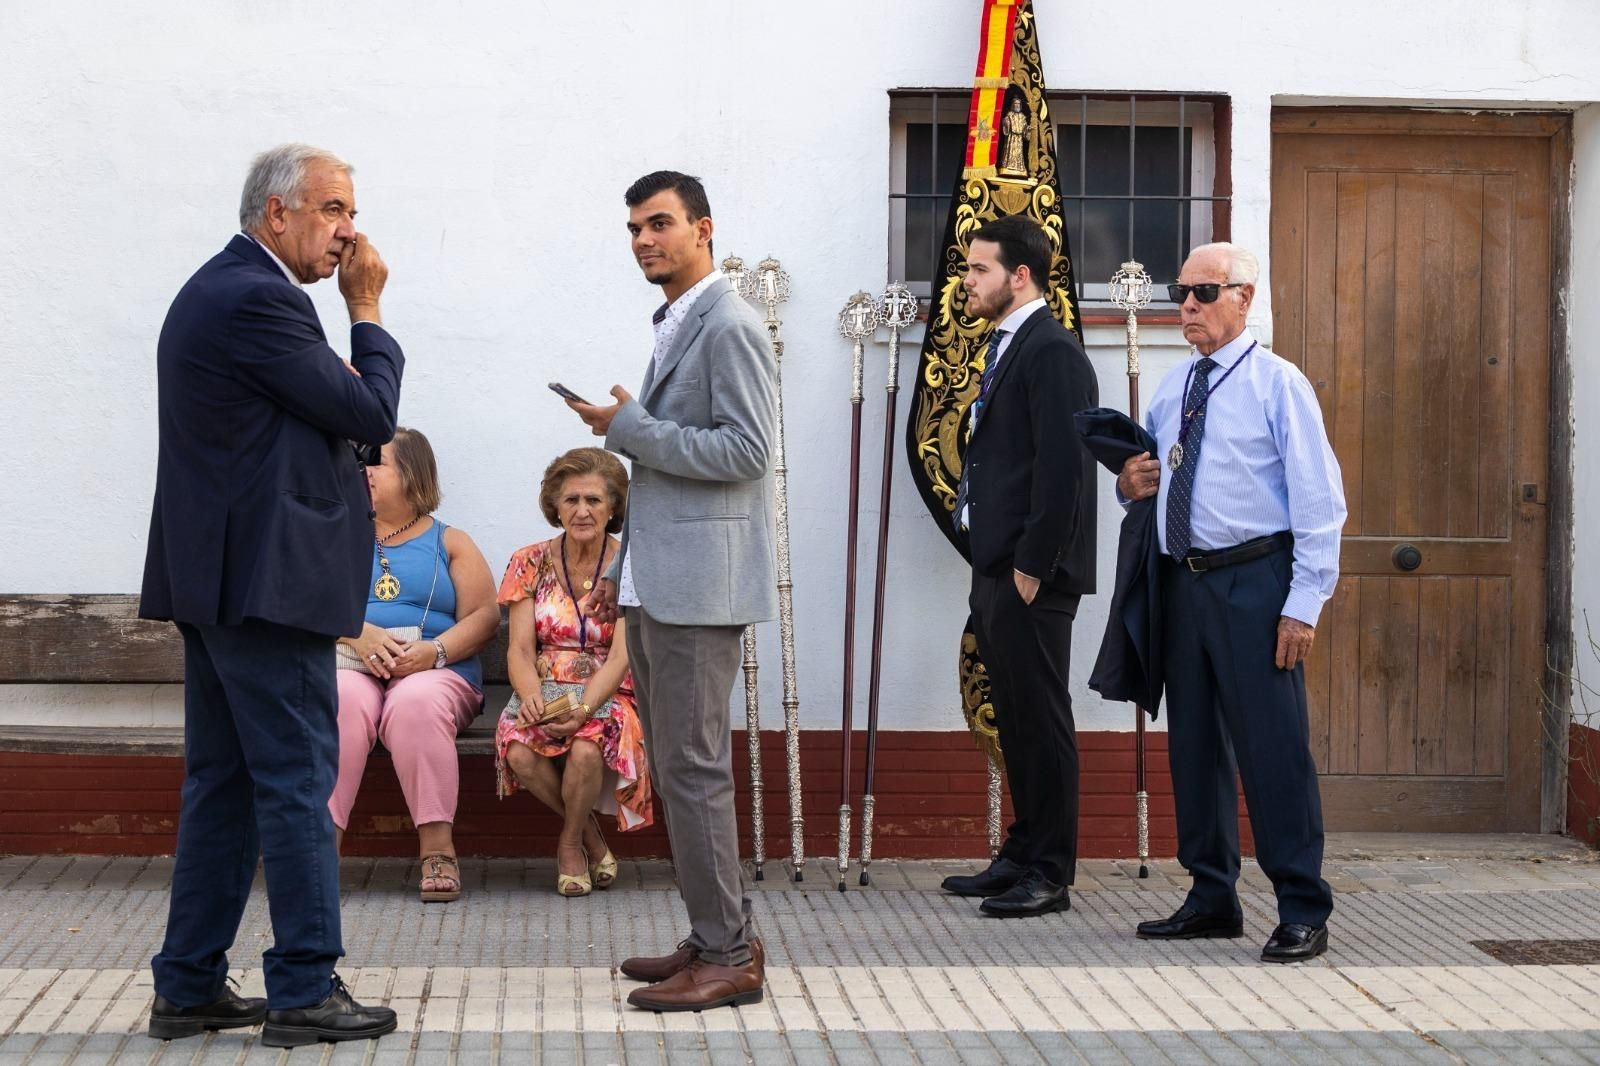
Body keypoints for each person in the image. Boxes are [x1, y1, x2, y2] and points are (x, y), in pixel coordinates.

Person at [139, 144, 400, 1046]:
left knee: (225, 786)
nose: (349, 231)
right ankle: (303, 988)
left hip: (223, 583)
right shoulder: (259, 297)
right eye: (332, 209)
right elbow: (370, 417)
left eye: (350, 211)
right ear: (276, 213)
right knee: (294, 783)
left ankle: (188, 985)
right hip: (267, 587)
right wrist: (366, 311)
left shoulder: (222, 288)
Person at [568, 170, 776, 1012]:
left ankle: (728, 955)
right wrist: (631, 428)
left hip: (698, 591)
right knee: (682, 770)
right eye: (633, 229)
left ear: (703, 228)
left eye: (659, 225)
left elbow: (746, 452)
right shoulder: (679, 320)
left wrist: (631, 431)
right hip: (658, 585)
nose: (644, 241)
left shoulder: (727, 323)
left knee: (693, 772)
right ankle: (715, 933)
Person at [1118, 242, 1346, 963]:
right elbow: (1152, 474)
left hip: (1257, 582)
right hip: (1184, 583)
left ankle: (1303, 906)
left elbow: (1320, 502)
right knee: (1193, 747)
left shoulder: (1279, 385)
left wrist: (1304, 602)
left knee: (1273, 749)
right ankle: (1211, 895)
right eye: (1180, 291)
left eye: (1204, 292)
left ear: (1245, 298)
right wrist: (1131, 482)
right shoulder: (1174, 385)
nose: (1186, 305)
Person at [937, 214, 1099, 918]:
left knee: (1041, 718)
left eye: (978, 270)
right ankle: (1022, 853)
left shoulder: (1052, 351)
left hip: (1032, 574)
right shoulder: (1009, 347)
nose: (965, 281)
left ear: (1020, 275)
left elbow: (1065, 469)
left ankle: (1051, 871)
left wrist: (1033, 563)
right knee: (1016, 718)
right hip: (998, 567)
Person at [330, 427, 498, 902]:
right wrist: (355, 632)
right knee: (340, 699)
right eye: (358, 462)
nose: (362, 470)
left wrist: (434, 653)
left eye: (376, 461)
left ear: (412, 473)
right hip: (350, 661)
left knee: (415, 703)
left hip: (435, 671)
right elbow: (299, 603)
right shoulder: (335, 534)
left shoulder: (451, 542)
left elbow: (485, 616)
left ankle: (437, 849)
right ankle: (319, 851)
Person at [496, 447, 654, 897]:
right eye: (571, 500)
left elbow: (623, 654)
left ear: (613, 508)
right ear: (555, 506)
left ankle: (569, 843)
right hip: (545, 684)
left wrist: (586, 706)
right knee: (519, 750)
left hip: (610, 688)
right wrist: (531, 695)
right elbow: (521, 648)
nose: (581, 511)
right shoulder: (529, 561)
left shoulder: (629, 563)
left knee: (586, 749)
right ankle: (590, 836)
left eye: (593, 500)